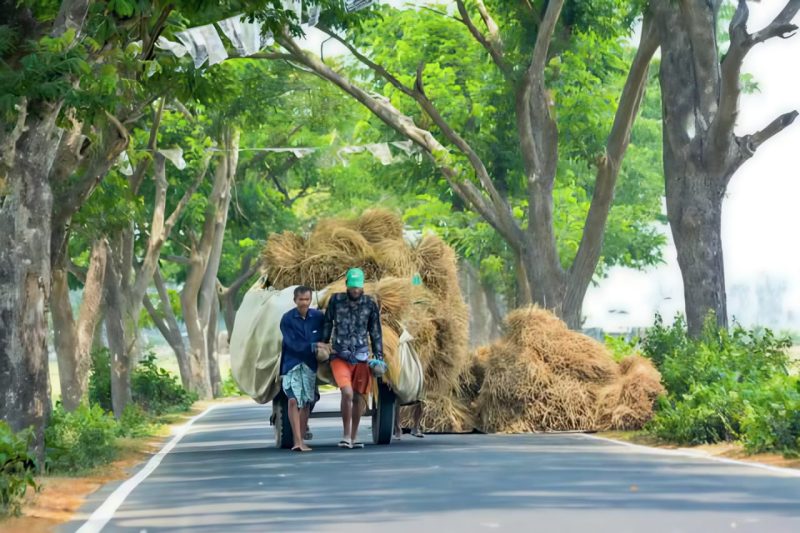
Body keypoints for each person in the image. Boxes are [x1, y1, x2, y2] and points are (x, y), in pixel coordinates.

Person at [322, 267, 383, 449]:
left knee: (358, 397)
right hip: (339, 355)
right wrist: (323, 344)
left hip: (362, 357)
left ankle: (354, 436)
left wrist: (379, 356)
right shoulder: (336, 300)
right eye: (352, 286)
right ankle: (346, 435)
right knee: (347, 392)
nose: (355, 290)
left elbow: (375, 331)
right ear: (347, 285)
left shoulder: (369, 304)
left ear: (362, 287)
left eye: (358, 287)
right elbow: (327, 322)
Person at [279, 285, 326, 452]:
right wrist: (314, 346)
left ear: (311, 300)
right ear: (295, 300)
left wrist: (325, 347)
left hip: (309, 365)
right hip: (291, 364)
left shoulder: (318, 317)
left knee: (306, 402)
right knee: (293, 400)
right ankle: (297, 441)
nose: (304, 303)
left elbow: (325, 335)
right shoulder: (287, 319)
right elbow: (292, 343)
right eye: (301, 299)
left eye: (307, 299)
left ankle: (301, 440)